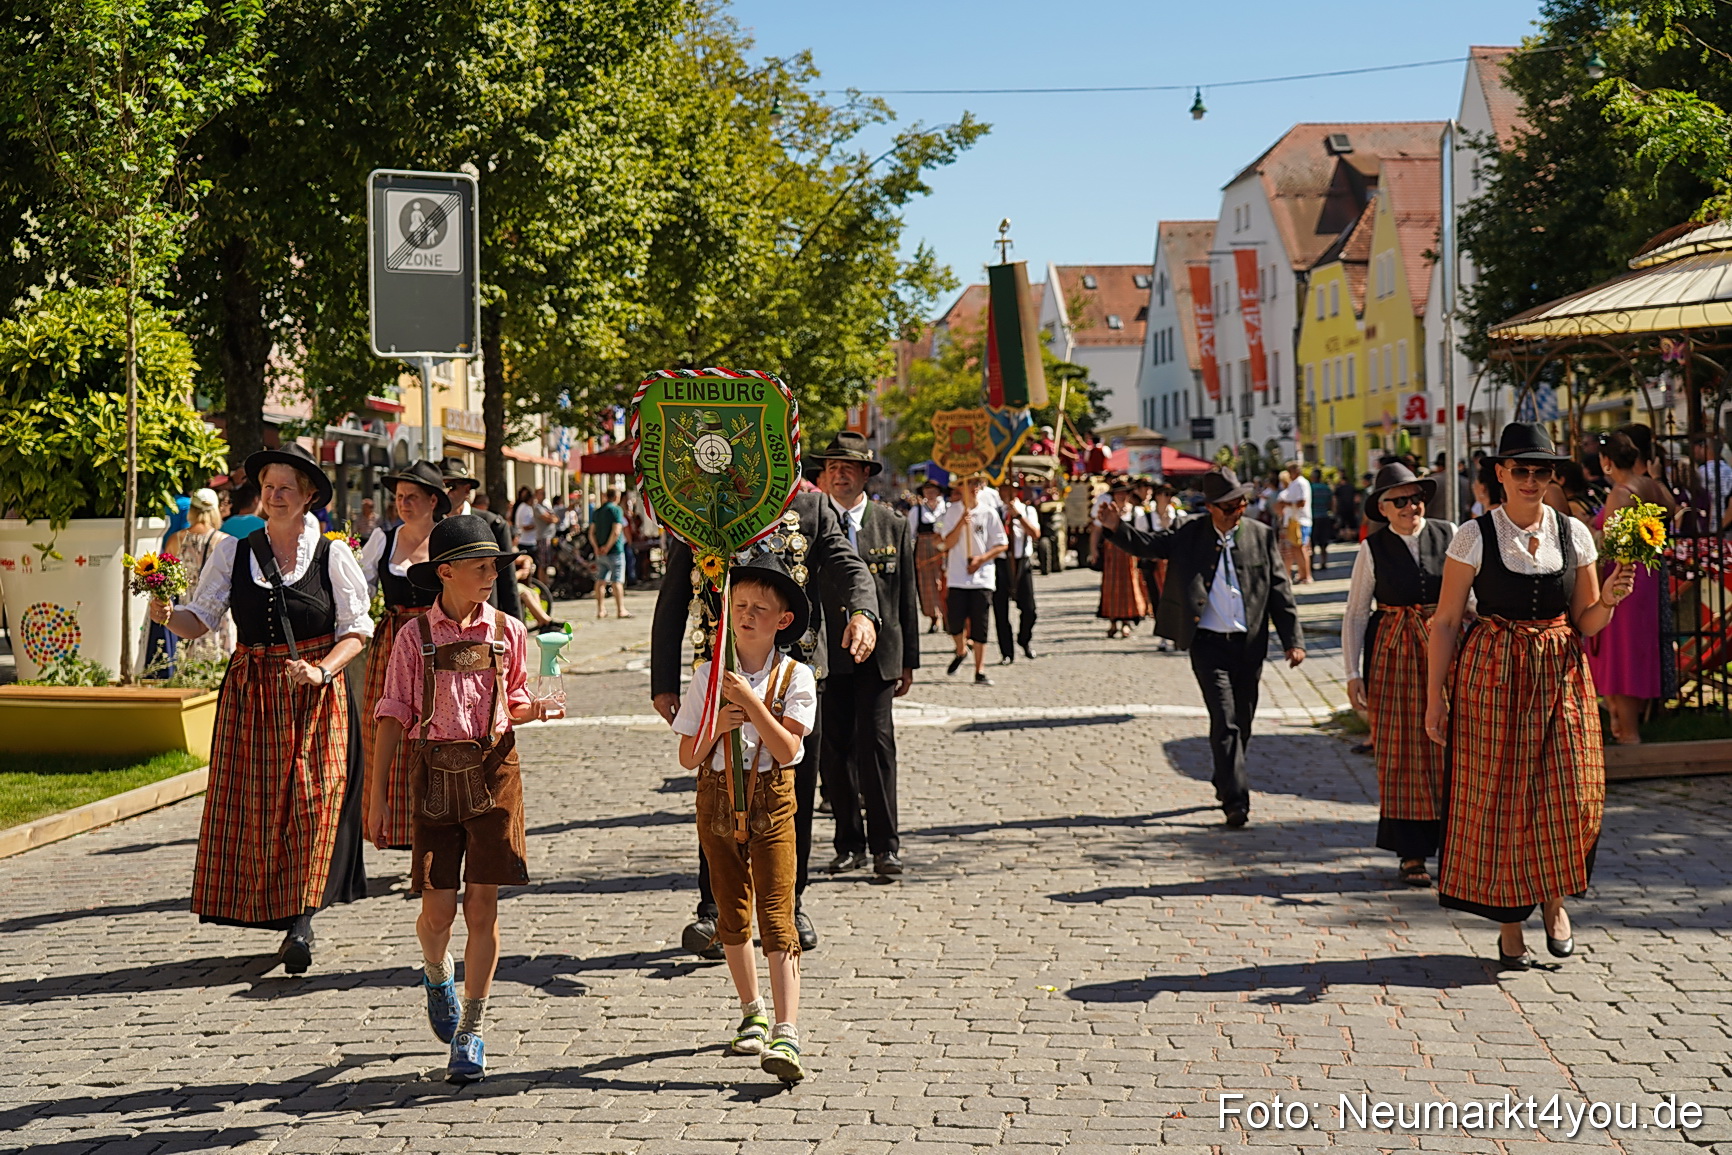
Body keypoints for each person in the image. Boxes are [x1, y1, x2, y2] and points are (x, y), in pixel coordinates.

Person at [148, 444, 372, 972]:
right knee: (259, 808)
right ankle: (280, 909)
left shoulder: (332, 554)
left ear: (309, 496)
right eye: (268, 487)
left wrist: (321, 670)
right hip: (253, 695)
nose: (274, 496)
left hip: (316, 696)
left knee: (313, 804)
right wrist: (164, 614)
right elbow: (201, 618)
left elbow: (357, 629)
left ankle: (302, 921)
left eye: (285, 488)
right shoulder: (234, 549)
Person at [1424, 422, 1633, 971]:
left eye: (1544, 471)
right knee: (1500, 799)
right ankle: (1510, 921)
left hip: (1560, 673)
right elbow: (1445, 622)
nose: (1533, 480)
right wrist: (1434, 698)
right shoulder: (1474, 536)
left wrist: (1608, 597)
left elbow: (1587, 622)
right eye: (1522, 470)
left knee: (1569, 789)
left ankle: (1556, 902)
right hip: (1492, 677)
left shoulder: (1575, 533)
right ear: (1501, 474)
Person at [369, 515, 563, 1084]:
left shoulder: (509, 631)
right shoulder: (414, 637)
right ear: (446, 572)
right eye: (480, 568)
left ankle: (471, 1030)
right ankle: (436, 972)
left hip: (496, 773)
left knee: (482, 907)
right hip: (433, 779)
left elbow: (518, 700)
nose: (491, 577)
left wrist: (540, 708)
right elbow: (391, 715)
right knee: (437, 912)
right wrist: (376, 799)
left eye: (495, 567)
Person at [652, 491, 877, 957]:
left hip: (791, 672)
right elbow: (675, 592)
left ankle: (789, 902)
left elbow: (847, 564)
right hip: (722, 670)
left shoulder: (812, 509)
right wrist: (662, 682)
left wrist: (862, 613)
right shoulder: (700, 503)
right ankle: (715, 910)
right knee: (718, 787)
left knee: (790, 793)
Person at [672, 554, 818, 1082]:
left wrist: (752, 705)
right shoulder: (708, 675)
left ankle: (787, 1031)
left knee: (778, 913)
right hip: (715, 802)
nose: (748, 614)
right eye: (740, 606)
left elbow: (787, 750)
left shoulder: (796, 676)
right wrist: (717, 722)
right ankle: (751, 1011)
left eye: (760, 607)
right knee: (731, 913)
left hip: (773, 805)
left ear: (783, 619)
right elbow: (688, 756)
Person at [1100, 467, 1304, 827]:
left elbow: (1278, 591)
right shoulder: (1189, 533)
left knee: (1243, 721)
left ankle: (1224, 776)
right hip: (1207, 643)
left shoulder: (1260, 535)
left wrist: (1293, 641)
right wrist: (1118, 529)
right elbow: (1150, 546)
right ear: (1210, 507)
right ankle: (1236, 801)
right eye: (1228, 506)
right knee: (1224, 720)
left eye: (1240, 503)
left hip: (1250, 642)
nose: (1236, 511)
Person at [810, 432, 918, 878]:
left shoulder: (891, 524)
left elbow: (905, 595)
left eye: (849, 467)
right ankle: (848, 842)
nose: (840, 474)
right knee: (833, 752)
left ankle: (885, 847)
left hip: (878, 656)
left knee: (877, 747)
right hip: (827, 652)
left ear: (866, 475)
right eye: (833, 467)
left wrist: (908, 660)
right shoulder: (809, 523)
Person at [1342, 464, 1455, 887]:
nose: (1412, 507)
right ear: (1384, 509)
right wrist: (1353, 672)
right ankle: (1411, 853)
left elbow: (1472, 593)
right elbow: (1355, 613)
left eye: (1416, 498)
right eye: (1401, 501)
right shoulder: (1372, 549)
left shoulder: (1450, 533)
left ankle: (1456, 845)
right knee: (1403, 751)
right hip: (1394, 656)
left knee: (1451, 744)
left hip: (1446, 648)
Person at [359, 461, 451, 850]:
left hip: (441, 645)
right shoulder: (383, 539)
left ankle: (438, 830)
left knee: (438, 734)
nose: (404, 503)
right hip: (395, 643)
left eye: (412, 496)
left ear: (433, 500)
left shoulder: (449, 539)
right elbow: (359, 590)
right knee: (388, 731)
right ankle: (395, 828)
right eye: (398, 497)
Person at [1585, 432, 1668, 744]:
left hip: (1622, 576)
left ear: (1606, 461)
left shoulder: (1620, 493)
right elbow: (1670, 509)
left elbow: (1611, 543)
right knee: (1631, 649)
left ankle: (1627, 730)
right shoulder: (1648, 485)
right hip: (1645, 576)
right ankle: (1619, 719)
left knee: (1621, 653)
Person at [938, 474, 1008, 684]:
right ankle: (961, 650)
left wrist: (981, 559)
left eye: (976, 484)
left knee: (980, 625)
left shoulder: (988, 513)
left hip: (982, 577)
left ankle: (980, 670)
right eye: (969, 484)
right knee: (955, 623)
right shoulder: (952, 511)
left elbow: (1001, 543)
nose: (974, 488)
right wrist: (961, 522)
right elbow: (947, 543)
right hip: (958, 576)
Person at [437, 460, 522, 621]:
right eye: (441, 486)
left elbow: (508, 583)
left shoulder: (493, 524)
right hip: (444, 626)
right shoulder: (434, 526)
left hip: (488, 623)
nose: (445, 491)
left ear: (467, 489)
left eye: (451, 486)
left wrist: (515, 629)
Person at [159, 488, 234, 665]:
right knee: (219, 664)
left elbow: (165, 577)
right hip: (217, 607)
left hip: (188, 610)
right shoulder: (224, 541)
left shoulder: (175, 539)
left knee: (189, 663)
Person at [993, 478, 1040, 664]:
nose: (1006, 494)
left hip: (1022, 562)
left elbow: (1035, 534)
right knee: (1000, 611)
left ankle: (1024, 639)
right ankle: (1006, 652)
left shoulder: (1028, 510)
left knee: (1029, 610)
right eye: (1003, 490)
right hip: (1001, 562)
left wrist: (1018, 516)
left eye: (1010, 490)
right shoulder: (995, 513)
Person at [1096, 478, 1149, 639]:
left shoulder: (1136, 512)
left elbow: (1141, 535)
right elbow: (1097, 530)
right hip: (1111, 554)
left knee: (1130, 587)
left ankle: (1126, 621)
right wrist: (1093, 550)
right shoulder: (1107, 510)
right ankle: (1112, 622)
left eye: (1124, 493)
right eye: (1118, 493)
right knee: (1111, 587)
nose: (1121, 496)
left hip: (1129, 553)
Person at [911, 479, 948, 634]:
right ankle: (934, 617)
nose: (930, 493)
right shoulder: (917, 510)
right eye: (927, 491)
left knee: (944, 582)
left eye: (933, 490)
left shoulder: (946, 508)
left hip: (944, 547)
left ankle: (947, 615)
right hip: (924, 548)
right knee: (927, 584)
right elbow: (910, 533)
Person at [589, 487, 631, 619]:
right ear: (616, 497)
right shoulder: (616, 510)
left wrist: (597, 547)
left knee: (600, 581)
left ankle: (601, 610)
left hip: (600, 552)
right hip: (615, 551)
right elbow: (616, 531)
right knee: (617, 581)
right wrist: (607, 547)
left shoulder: (597, 512)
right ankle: (620, 609)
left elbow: (591, 533)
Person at [1280, 464, 1314, 583]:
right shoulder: (1295, 484)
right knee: (1296, 548)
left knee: (1302, 548)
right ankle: (1302, 574)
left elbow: (1302, 502)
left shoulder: (1301, 483)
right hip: (1295, 520)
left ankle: (1307, 575)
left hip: (1300, 520)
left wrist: (1287, 503)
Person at [1309, 468, 1335, 571]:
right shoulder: (1326, 488)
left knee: (1312, 542)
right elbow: (1331, 503)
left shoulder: (1310, 488)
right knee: (1324, 542)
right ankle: (1323, 562)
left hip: (1312, 517)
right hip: (1324, 516)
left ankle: (1310, 564)